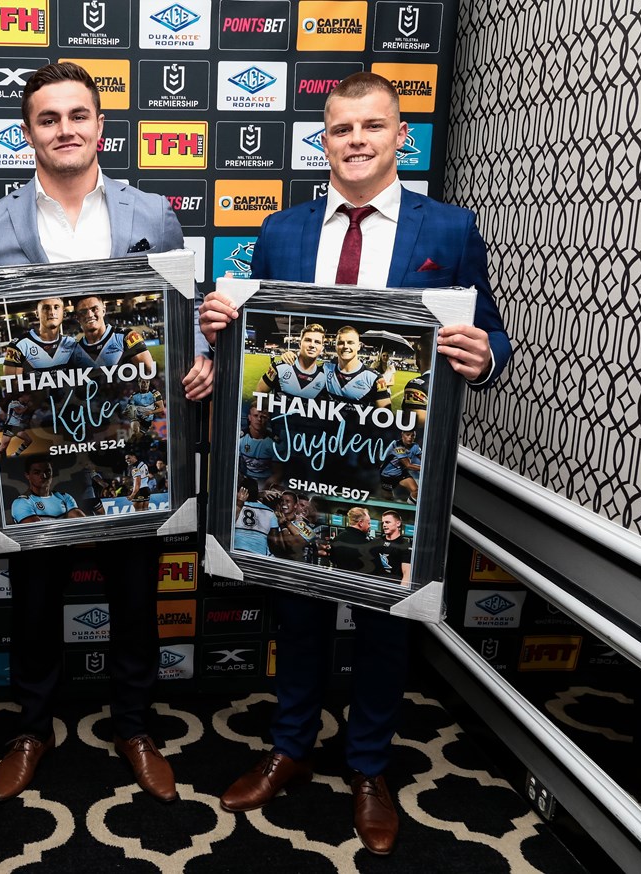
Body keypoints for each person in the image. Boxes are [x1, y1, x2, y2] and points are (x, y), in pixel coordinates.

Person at [201, 72, 512, 857]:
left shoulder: (450, 229)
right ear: (325, 140)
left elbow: (492, 332)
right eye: (341, 128)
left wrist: (484, 357)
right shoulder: (283, 230)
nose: (357, 141)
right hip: (300, 464)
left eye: (373, 126)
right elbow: (263, 340)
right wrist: (222, 326)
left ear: (401, 135)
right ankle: (290, 747)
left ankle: (369, 768)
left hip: (385, 468)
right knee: (298, 612)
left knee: (384, 622)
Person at [0, 62, 214, 804]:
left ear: (100, 126)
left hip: (126, 441)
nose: (65, 129)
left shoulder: (152, 214)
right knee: (32, 597)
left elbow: (186, 314)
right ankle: (32, 727)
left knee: (136, 594)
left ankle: (135, 726)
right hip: (38, 447)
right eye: (48, 118)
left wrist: (201, 360)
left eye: (78, 115)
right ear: (28, 132)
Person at [256, 322, 327, 399]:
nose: (312, 345)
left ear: (322, 348)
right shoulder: (280, 367)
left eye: (317, 342)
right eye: (308, 340)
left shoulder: (325, 377)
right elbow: (259, 393)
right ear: (300, 343)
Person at [324, 326, 390, 407]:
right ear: (335, 346)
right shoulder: (325, 369)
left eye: (350, 342)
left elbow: (385, 412)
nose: (345, 346)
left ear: (359, 346)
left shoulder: (375, 378)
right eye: (340, 343)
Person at [11, 458, 85, 523]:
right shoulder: (21, 503)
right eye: (37, 473)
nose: (44, 476)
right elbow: (39, 531)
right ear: (27, 475)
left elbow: (82, 523)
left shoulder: (65, 497)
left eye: (47, 471)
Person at [379, 429, 421, 503]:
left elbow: (424, 459)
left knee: (415, 490)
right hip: (387, 474)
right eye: (407, 435)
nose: (410, 437)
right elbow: (408, 465)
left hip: (401, 473)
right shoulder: (397, 446)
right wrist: (424, 468)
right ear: (402, 435)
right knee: (388, 498)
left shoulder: (415, 446)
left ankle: (410, 506)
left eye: (412, 435)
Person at [372, 509, 412, 584]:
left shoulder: (405, 546)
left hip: (393, 585)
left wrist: (401, 590)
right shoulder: (376, 542)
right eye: (383, 523)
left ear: (398, 523)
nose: (384, 525)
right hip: (375, 583)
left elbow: (407, 574)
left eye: (387, 522)